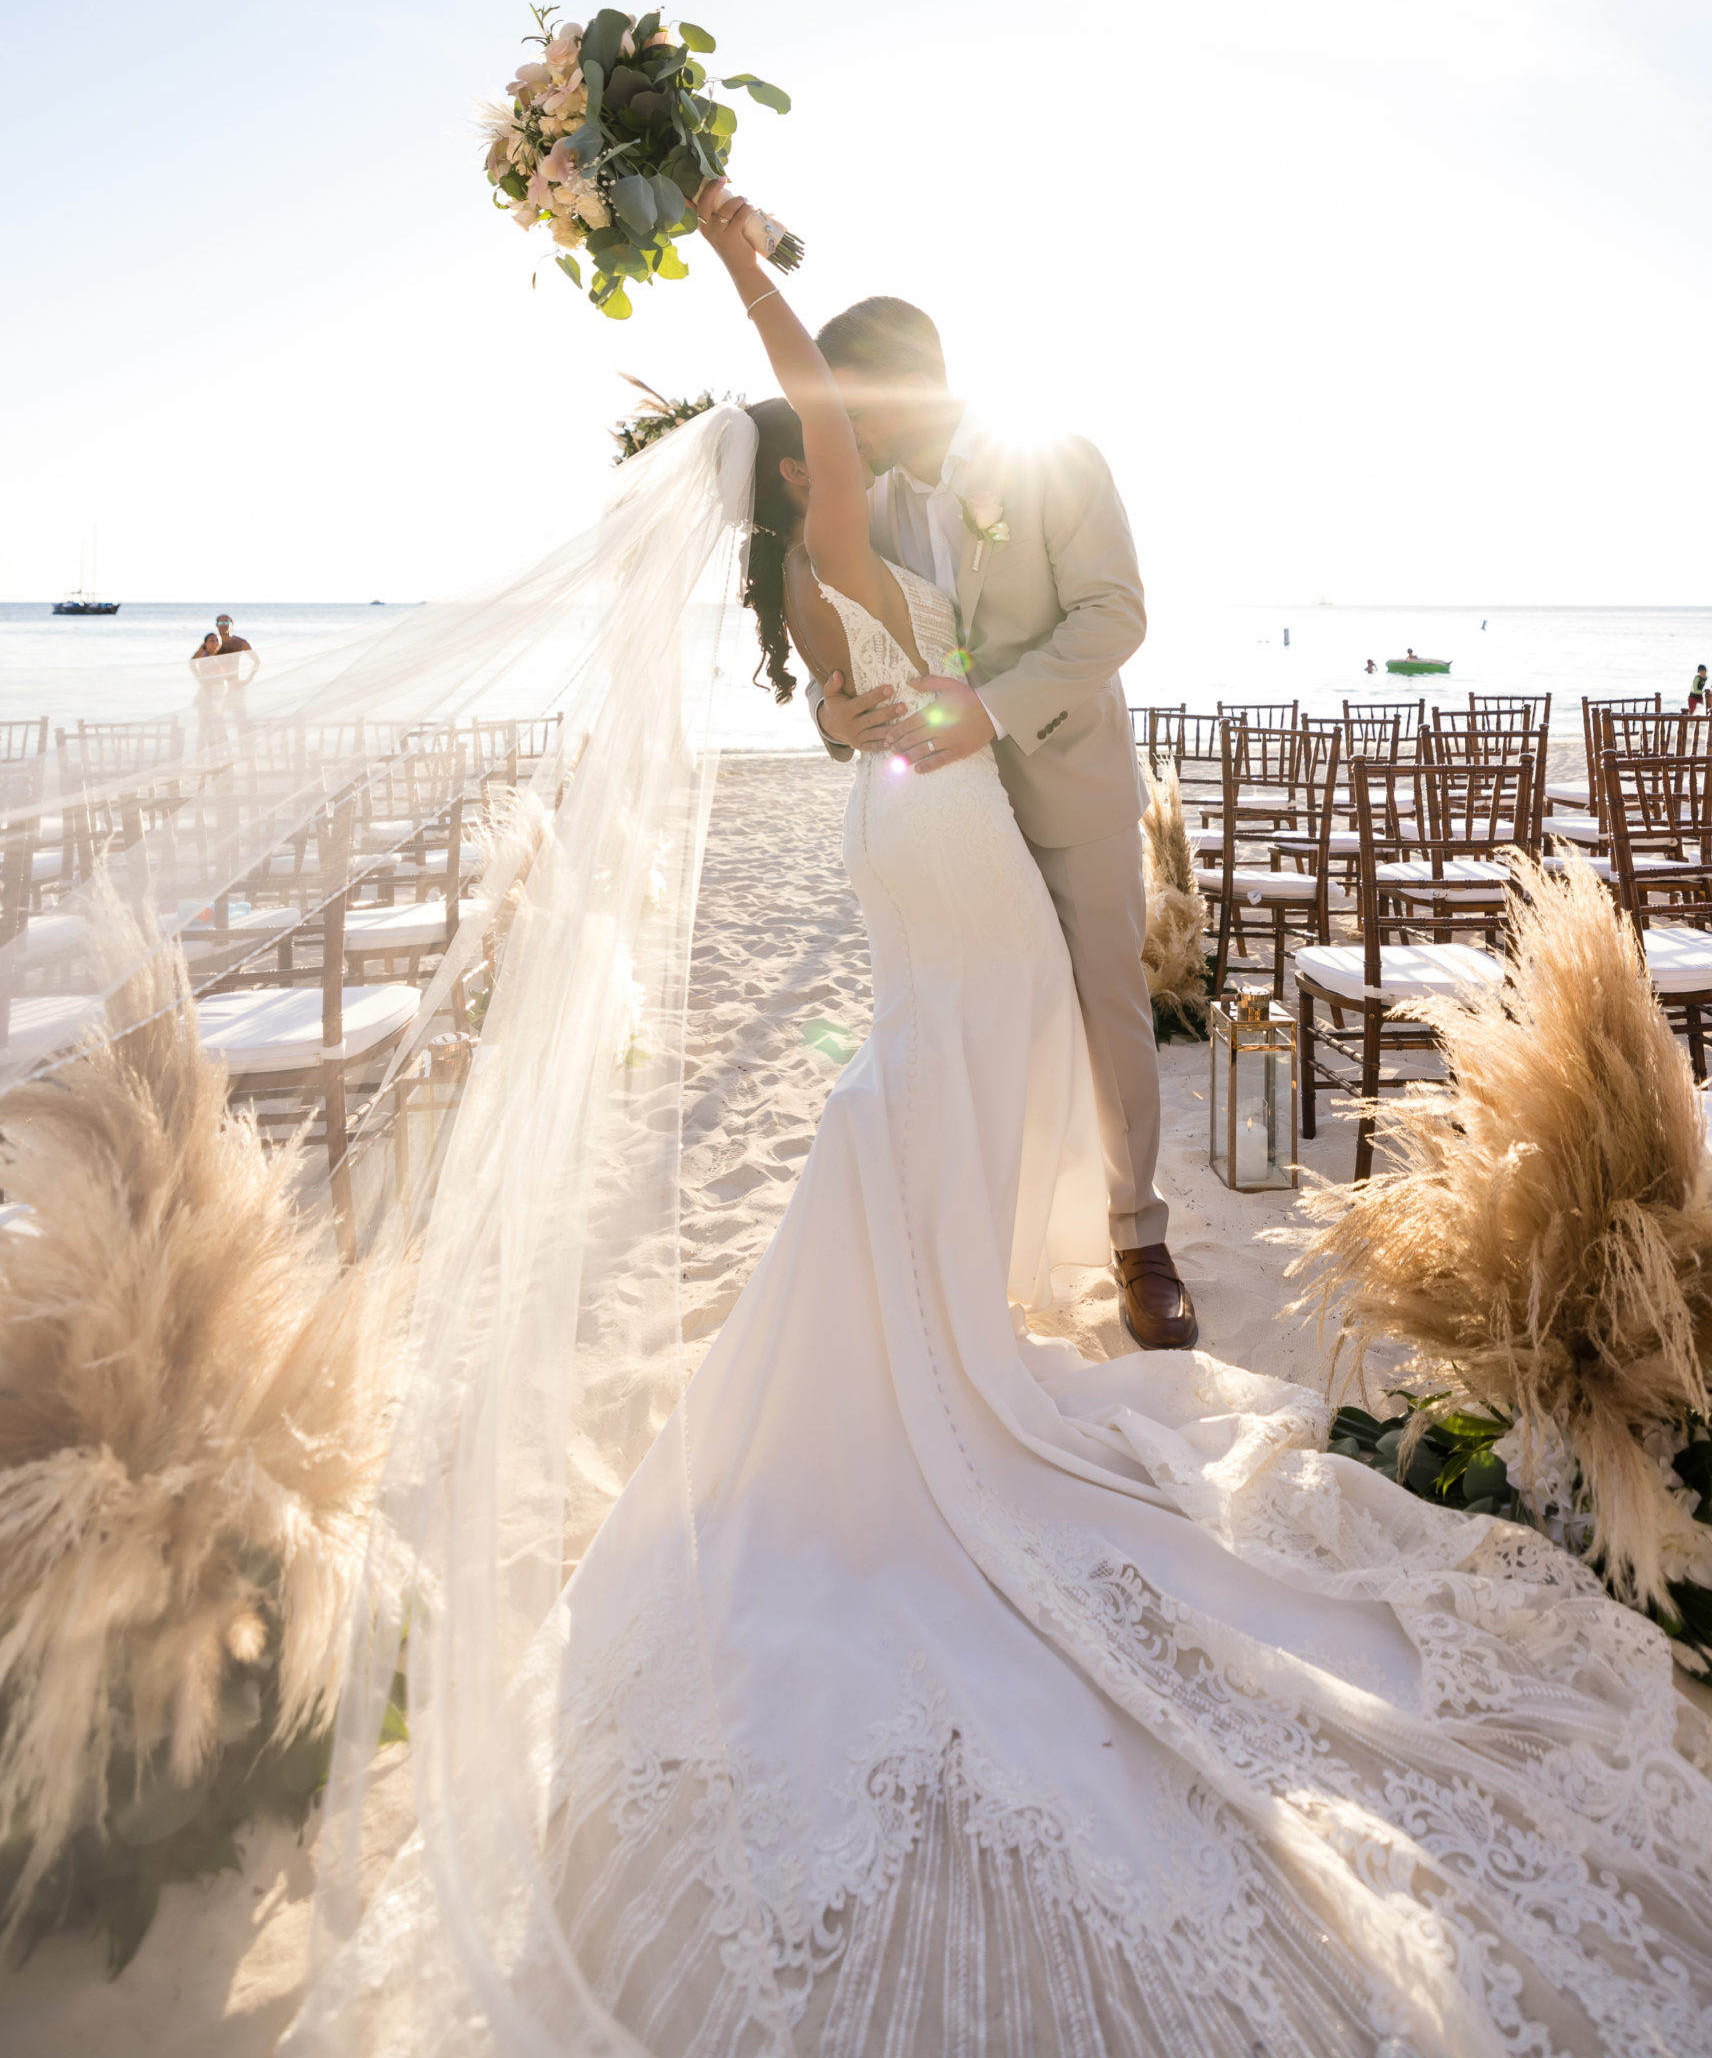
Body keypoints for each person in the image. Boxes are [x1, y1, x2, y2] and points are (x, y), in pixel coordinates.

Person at [289, 185, 1712, 2055]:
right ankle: (980, 1332)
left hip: (911, 830)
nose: (842, 433)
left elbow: (860, 659)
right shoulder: (850, 523)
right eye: (824, 426)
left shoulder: (814, 582)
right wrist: (731, 257)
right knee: (951, 1062)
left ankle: (989, 1302)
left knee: (929, 1075)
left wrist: (874, 599)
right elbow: (810, 402)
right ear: (810, 444)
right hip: (945, 835)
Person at [799, 293, 1192, 1354]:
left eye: (856, 411)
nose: (850, 435)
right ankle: (997, 1238)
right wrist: (831, 715)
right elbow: (846, 640)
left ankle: (1137, 1237)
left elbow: (1115, 611)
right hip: (952, 813)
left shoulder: (1053, 458)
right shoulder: (876, 502)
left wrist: (992, 707)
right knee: (974, 1012)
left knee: (1105, 1007)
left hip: (1067, 785)